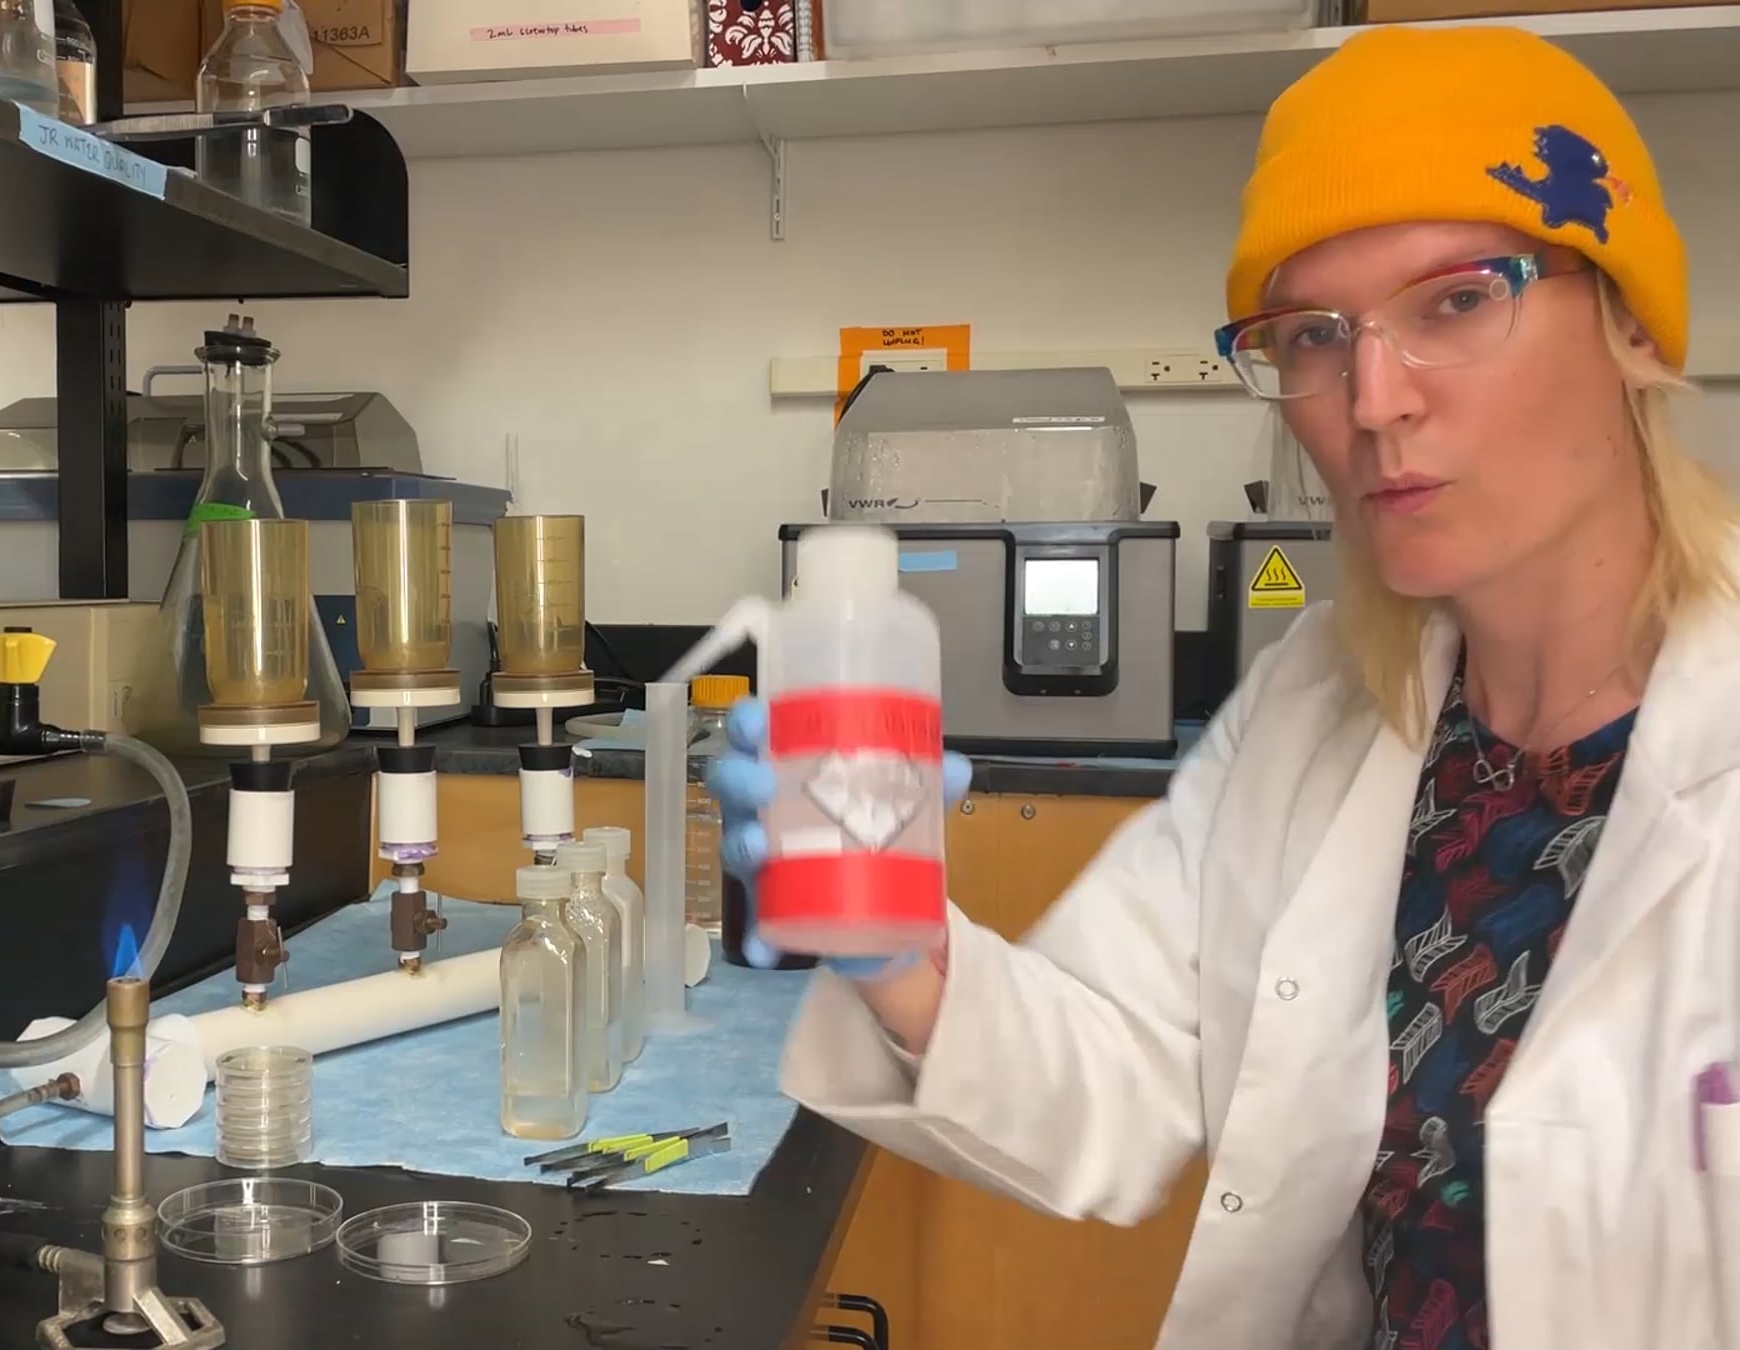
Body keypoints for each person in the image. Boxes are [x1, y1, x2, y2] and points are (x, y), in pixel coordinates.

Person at [709, 25, 1740, 1350]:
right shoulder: (1318, 702)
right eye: (1312, 334)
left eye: (1457, 300)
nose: (1373, 398)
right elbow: (1121, 1067)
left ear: (1632, 321)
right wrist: (909, 958)